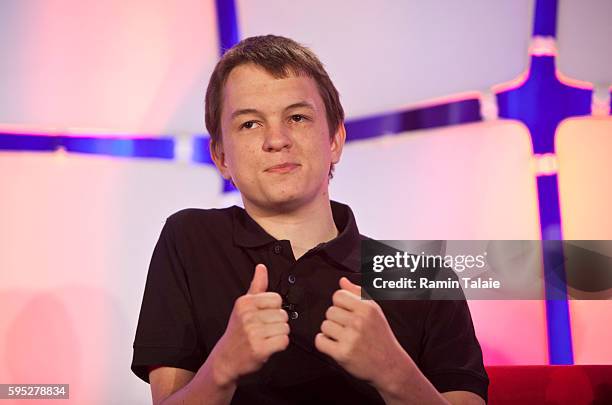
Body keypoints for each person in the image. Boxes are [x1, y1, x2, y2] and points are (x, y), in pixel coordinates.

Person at [131, 35, 488, 405]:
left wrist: (394, 373)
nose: (276, 139)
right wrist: (222, 367)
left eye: (297, 117)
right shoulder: (189, 240)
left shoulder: (422, 279)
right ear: (221, 157)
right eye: (250, 124)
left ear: (335, 138)